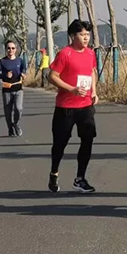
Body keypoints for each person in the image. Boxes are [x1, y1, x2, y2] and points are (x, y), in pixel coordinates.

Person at [47, 20, 99, 194]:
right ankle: (54, 172)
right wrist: (71, 89)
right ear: (72, 36)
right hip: (66, 107)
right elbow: (52, 76)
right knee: (60, 144)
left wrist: (94, 92)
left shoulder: (90, 53)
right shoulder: (65, 54)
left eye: (87, 35)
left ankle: (80, 178)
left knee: (87, 140)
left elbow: (91, 72)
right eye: (82, 35)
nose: (86, 38)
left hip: (85, 106)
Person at [0, 40, 27, 137]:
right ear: (6, 49)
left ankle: (16, 124)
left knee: (18, 108)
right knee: (8, 111)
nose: (11, 50)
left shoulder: (19, 60)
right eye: (8, 48)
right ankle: (10, 128)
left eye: (13, 48)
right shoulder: (2, 62)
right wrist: (5, 75)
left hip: (18, 88)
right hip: (7, 90)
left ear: (16, 49)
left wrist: (23, 74)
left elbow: (23, 68)